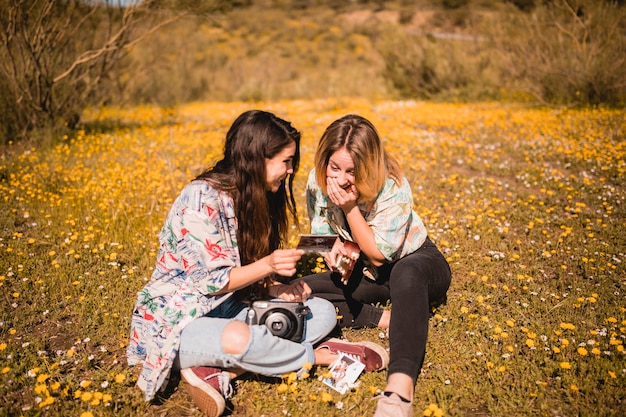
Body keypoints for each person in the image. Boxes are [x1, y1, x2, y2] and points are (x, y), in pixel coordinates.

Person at [126, 110, 388, 417]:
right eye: (286, 161)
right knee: (241, 338)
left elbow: (242, 274)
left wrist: (275, 289)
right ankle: (321, 356)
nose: (290, 170)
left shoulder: (255, 196)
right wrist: (268, 265)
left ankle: (222, 369)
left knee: (321, 311)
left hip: (231, 308)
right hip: (180, 323)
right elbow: (212, 282)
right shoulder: (200, 199)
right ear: (257, 159)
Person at [299, 114, 452, 417]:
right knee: (301, 288)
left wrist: (349, 207)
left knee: (406, 275)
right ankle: (387, 318)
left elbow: (380, 255)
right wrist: (329, 248)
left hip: (414, 261)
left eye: (352, 171)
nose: (341, 179)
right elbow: (318, 233)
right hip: (363, 265)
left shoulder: (393, 185)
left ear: (368, 166)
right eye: (335, 168)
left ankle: (398, 389)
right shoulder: (318, 181)